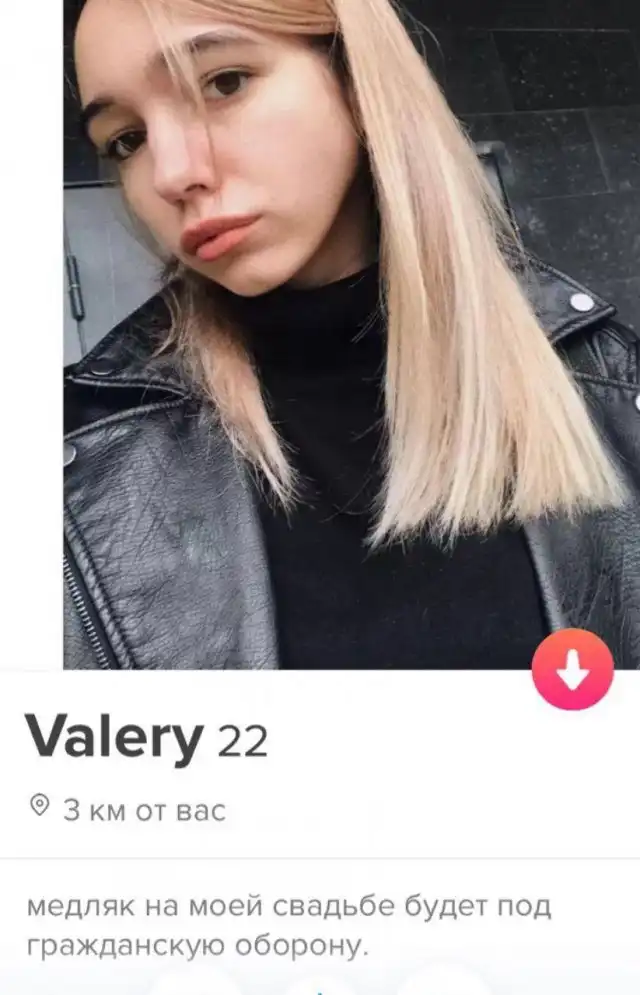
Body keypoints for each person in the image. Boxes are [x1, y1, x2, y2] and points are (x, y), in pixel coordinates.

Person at [65, 0, 640, 671]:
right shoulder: (81, 457)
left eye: (223, 83)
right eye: (125, 140)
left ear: (358, 77)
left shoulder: (610, 385)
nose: (170, 175)